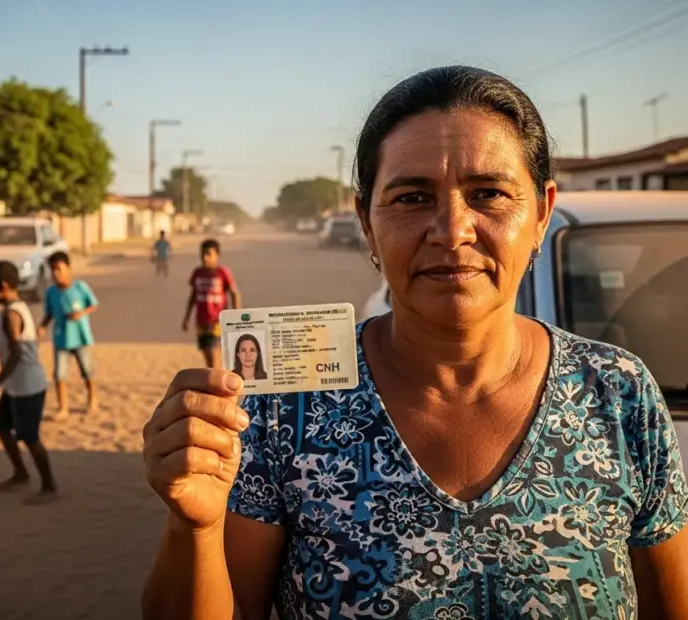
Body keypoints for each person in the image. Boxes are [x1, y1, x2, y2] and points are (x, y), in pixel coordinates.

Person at [142, 66, 688, 619]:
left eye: (489, 194)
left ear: (541, 213)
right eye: (411, 198)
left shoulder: (619, 394)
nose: (452, 230)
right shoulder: (285, 407)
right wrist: (194, 528)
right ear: (366, 220)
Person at [0, 261, 57, 503]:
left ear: (2, 286)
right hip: (15, 385)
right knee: (2, 428)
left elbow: (16, 355)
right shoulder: (14, 308)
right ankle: (21, 473)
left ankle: (49, 485)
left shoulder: (12, 315)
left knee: (30, 437)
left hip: (28, 386)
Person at [38, 251, 99, 418]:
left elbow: (93, 304)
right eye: (53, 270)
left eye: (59, 269)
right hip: (61, 338)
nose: (55, 273)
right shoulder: (51, 292)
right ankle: (63, 408)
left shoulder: (80, 287)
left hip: (80, 337)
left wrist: (82, 313)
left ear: (68, 268)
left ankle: (92, 399)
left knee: (87, 371)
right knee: (59, 375)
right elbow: (49, 313)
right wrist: (42, 327)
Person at [182, 239, 241, 369]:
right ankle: (213, 377)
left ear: (217, 255)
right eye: (202, 254)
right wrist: (186, 318)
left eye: (209, 254)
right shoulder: (197, 273)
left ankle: (215, 379)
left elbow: (234, 293)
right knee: (207, 355)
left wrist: (235, 316)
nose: (205, 258)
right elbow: (193, 296)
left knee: (213, 353)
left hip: (216, 321)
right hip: (201, 321)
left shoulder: (222, 272)